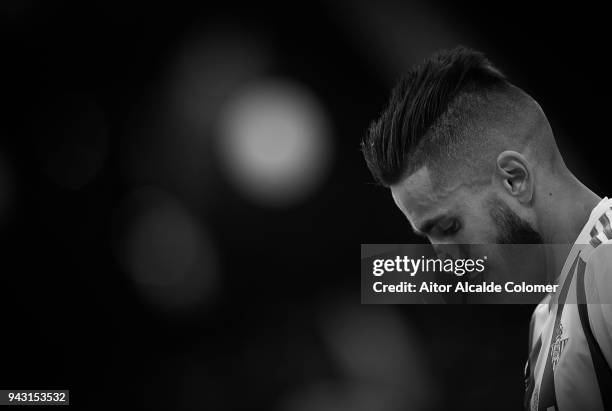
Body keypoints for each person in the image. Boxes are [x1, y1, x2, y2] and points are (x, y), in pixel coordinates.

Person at [361, 46, 612, 410]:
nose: (446, 262)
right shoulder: (546, 319)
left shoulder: (606, 265)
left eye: (447, 226)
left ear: (514, 179)